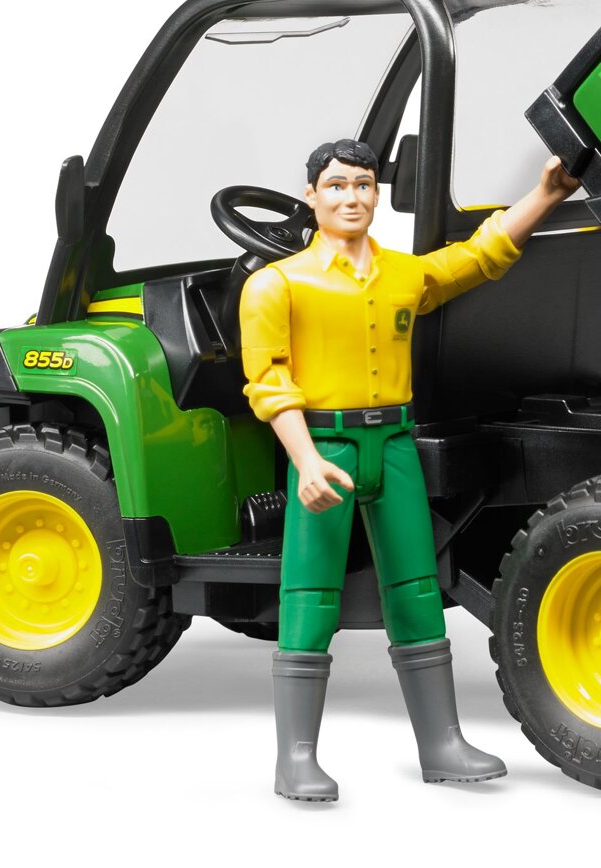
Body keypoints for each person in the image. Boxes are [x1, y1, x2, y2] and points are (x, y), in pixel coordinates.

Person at [238, 138, 581, 801]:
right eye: (336, 185)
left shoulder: (401, 274)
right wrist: (305, 460)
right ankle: (295, 758)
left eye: (363, 185)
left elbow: (478, 257)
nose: (351, 198)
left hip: (394, 443)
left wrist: (544, 195)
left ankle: (441, 743)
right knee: (309, 597)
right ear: (311, 195)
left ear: (377, 194)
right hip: (326, 446)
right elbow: (270, 383)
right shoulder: (277, 284)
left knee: (417, 590)